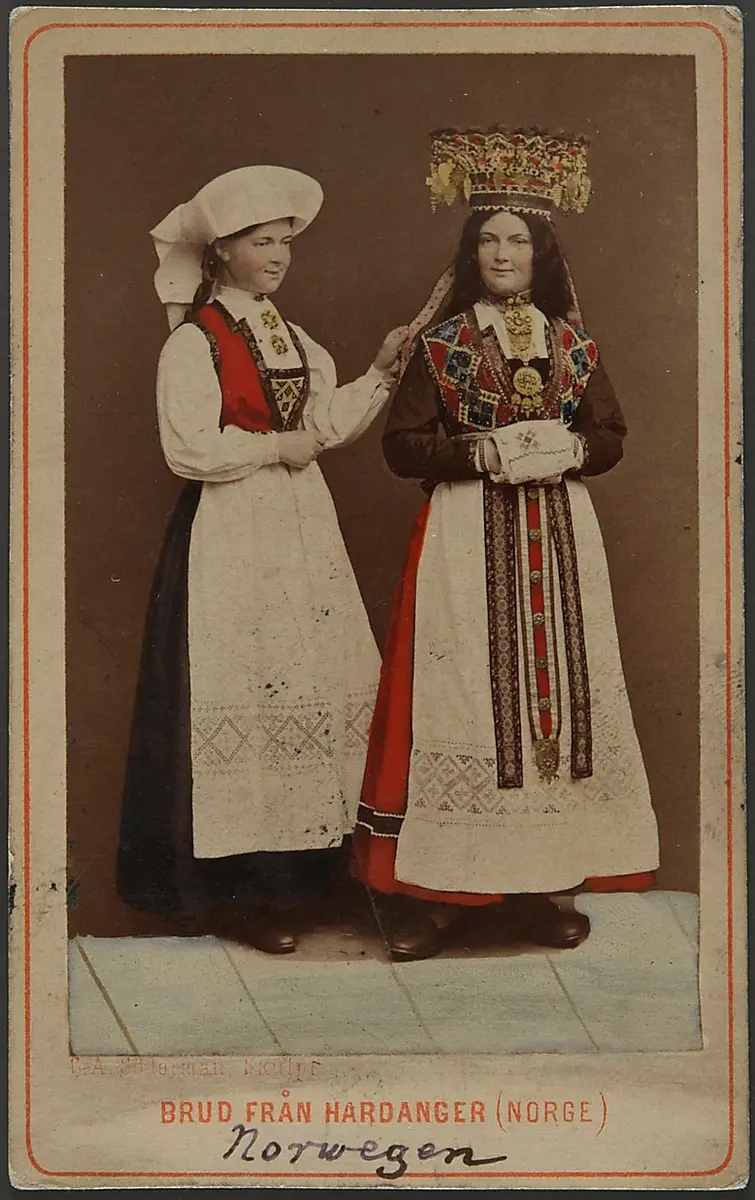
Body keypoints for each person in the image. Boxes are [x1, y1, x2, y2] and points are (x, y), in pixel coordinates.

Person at [351, 127, 660, 961]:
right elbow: (401, 447)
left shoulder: (572, 344)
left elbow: (610, 435)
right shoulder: (443, 344)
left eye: (516, 240)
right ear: (470, 251)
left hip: (559, 538)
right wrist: (481, 454)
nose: (501, 253)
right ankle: (439, 896)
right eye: (487, 238)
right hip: (464, 537)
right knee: (463, 697)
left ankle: (541, 886)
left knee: (552, 702)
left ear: (540, 253)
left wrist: (571, 448)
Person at [117, 165, 406, 953]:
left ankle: (311, 881)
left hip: (302, 527)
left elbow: (324, 425)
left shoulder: (291, 337)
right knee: (244, 683)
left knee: (314, 675)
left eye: (284, 243)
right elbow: (188, 448)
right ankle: (240, 894)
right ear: (221, 251)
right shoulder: (193, 342)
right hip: (232, 529)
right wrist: (277, 447)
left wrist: (379, 373)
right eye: (261, 242)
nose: (278, 256)